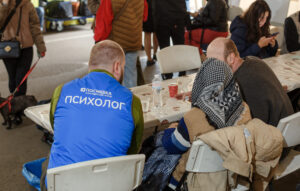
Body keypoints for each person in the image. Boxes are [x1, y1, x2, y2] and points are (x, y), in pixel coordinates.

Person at [40, 40, 144, 190]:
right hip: (111, 184)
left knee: (48, 159)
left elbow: (57, 129)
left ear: (90, 65)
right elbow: (133, 149)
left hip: (63, 184)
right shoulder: (131, 101)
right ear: (116, 66)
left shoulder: (61, 91)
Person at [142, 58, 252, 190]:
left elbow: (173, 145)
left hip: (193, 179)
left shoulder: (194, 118)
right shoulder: (243, 108)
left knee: (154, 141)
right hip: (232, 175)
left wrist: (171, 130)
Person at [206, 38, 294, 126]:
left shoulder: (243, 82)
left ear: (231, 58)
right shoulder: (253, 61)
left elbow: (245, 125)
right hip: (288, 126)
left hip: (275, 135)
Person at [88, 0, 144, 88]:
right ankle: (130, 99)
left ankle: (114, 99)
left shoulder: (109, 1)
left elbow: (105, 19)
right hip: (133, 39)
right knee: (130, 75)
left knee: (111, 74)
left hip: (115, 42)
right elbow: (144, 17)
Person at [0, 0, 46, 97]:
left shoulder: (28, 4)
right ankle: (14, 105)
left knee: (21, 81)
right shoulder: (3, 3)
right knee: (12, 80)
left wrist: (40, 46)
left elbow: (35, 26)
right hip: (9, 48)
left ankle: (18, 106)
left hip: (26, 49)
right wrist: (4, 5)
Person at [152, 0, 186, 80]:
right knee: (179, 48)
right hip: (177, 19)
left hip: (161, 20)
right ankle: (182, 74)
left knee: (164, 49)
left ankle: (167, 75)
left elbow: (154, 6)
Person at [143, 0, 158, 66]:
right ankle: (155, 54)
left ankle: (149, 59)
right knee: (156, 33)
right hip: (156, 8)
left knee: (147, 35)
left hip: (146, 8)